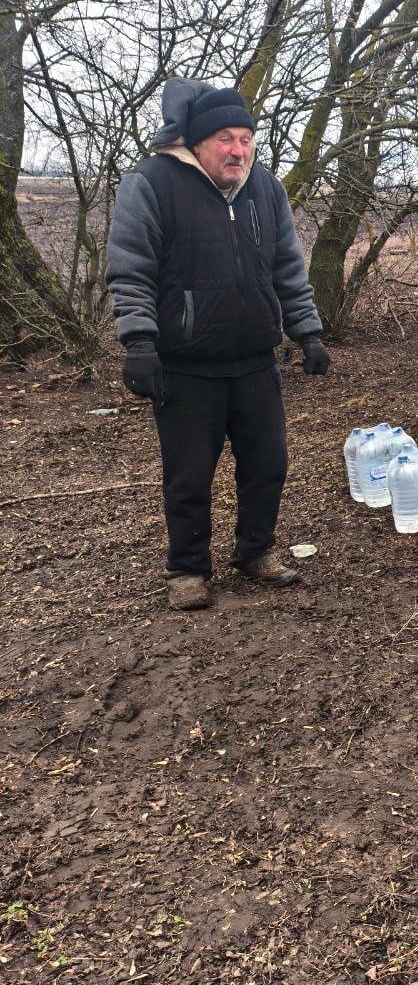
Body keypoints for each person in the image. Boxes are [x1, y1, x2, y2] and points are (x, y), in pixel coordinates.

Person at [106, 78, 329, 611]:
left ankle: (255, 552)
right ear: (197, 142)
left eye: (246, 138)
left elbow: (287, 269)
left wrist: (308, 331)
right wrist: (138, 342)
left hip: (254, 363)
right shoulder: (152, 183)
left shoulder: (265, 189)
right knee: (188, 476)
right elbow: (131, 270)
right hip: (186, 367)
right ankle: (187, 569)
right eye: (226, 138)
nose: (238, 150)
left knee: (268, 464)